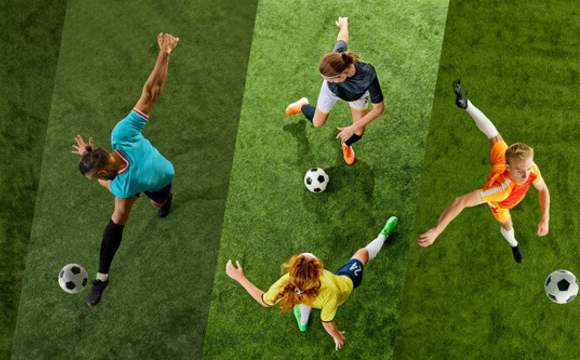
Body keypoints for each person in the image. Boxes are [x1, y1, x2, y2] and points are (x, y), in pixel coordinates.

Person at [71, 33, 178, 307]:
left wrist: (95, 176)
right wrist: (164, 54)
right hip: (158, 172)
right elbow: (151, 92)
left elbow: (104, 183)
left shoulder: (120, 186)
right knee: (117, 220)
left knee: (152, 206)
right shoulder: (122, 134)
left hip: (158, 182)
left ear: (103, 174)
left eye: (93, 176)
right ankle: (101, 277)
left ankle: (164, 201)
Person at [417, 80, 550, 264]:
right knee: (507, 224)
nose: (527, 175)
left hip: (501, 164)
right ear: (509, 167)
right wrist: (436, 230)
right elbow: (460, 201)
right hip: (502, 204)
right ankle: (514, 244)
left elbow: (543, 189)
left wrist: (545, 218)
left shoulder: (529, 167)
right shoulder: (499, 190)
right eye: (521, 171)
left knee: (495, 136)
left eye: (528, 168)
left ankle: (466, 103)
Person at [226, 216, 398, 351]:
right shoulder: (330, 290)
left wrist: (240, 278)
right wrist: (336, 336)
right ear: (317, 272)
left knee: (301, 298)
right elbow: (327, 322)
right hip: (346, 282)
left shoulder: (286, 281)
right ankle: (382, 235)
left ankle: (303, 323)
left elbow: (264, 300)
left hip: (307, 296)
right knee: (362, 254)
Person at [284, 17, 385, 165]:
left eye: (330, 79)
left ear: (343, 76)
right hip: (331, 92)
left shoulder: (367, 74)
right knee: (317, 123)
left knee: (358, 131)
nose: (327, 80)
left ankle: (346, 145)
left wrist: (353, 127)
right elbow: (342, 38)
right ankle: (302, 105)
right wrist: (344, 24)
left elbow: (379, 108)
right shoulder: (338, 56)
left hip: (356, 95)